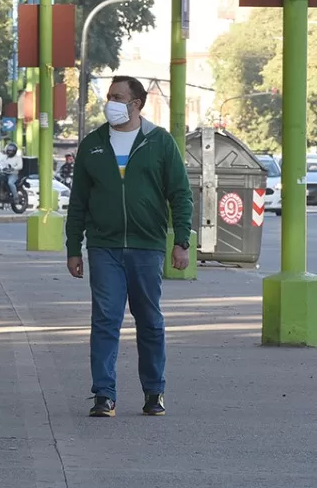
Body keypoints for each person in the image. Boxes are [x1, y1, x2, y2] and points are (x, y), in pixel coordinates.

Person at [65, 75, 193, 419]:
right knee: (105, 319)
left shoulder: (160, 142)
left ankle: (154, 391)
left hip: (146, 247)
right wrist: (73, 248)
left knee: (149, 320)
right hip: (104, 246)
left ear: (136, 104)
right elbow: (78, 202)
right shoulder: (93, 144)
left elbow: (180, 194)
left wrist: (181, 241)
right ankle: (104, 395)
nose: (111, 102)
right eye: (109, 96)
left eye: (118, 97)